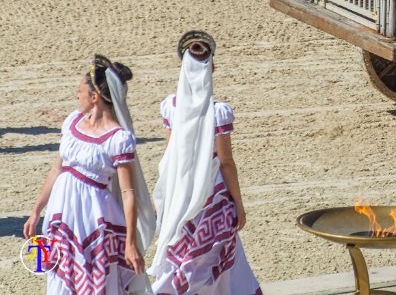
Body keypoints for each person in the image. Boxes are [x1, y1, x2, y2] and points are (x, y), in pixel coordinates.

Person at [24, 55, 156, 294]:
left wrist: (130, 243)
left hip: (94, 218)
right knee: (60, 275)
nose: (77, 96)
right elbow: (57, 169)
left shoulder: (118, 139)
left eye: (80, 91)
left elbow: (128, 193)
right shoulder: (72, 122)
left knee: (94, 278)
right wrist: (36, 211)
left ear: (94, 98)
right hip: (62, 212)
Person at [149, 30, 261, 295]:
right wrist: (239, 203)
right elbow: (226, 162)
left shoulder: (170, 107)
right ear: (212, 67)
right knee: (219, 260)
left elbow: (171, 152)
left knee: (181, 252)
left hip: (179, 189)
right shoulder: (218, 112)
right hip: (213, 195)